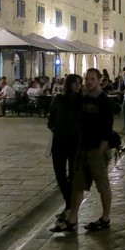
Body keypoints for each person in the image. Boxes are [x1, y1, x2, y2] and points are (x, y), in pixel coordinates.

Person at [67, 69, 114, 232]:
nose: (89, 82)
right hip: (83, 148)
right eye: (87, 79)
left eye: (92, 79)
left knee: (103, 186)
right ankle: (72, 219)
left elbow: (108, 127)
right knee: (77, 185)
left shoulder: (103, 100)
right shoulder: (83, 97)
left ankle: (105, 218)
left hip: (97, 149)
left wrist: (101, 150)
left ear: (99, 81)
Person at [47, 73, 82, 233]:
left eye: (79, 83)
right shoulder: (59, 99)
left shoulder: (80, 101)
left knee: (73, 176)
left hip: (74, 143)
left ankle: (70, 210)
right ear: (69, 84)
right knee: (60, 175)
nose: (78, 86)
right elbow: (51, 118)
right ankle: (69, 204)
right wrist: (55, 127)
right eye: (75, 83)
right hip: (59, 142)